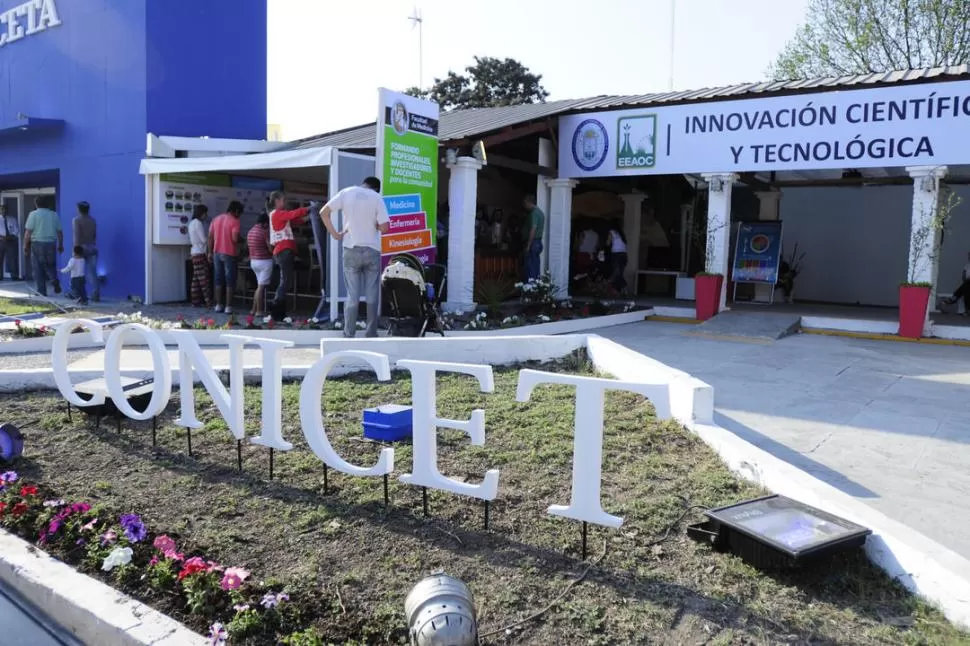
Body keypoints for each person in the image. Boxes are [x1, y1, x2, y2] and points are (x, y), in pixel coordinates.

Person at [319, 176, 390, 338]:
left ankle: (349, 332)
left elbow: (323, 212)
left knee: (353, 294)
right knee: (372, 293)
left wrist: (336, 234)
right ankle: (371, 332)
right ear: (376, 188)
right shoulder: (377, 198)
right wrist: (376, 225)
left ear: (363, 184)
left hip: (351, 248)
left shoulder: (346, 192)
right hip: (372, 249)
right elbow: (384, 228)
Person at [268, 191, 311, 316]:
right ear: (277, 201)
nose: (285, 202)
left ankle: (279, 310)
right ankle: (276, 309)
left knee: (286, 280)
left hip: (284, 251)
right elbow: (292, 215)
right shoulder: (277, 214)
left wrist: (310, 215)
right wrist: (308, 208)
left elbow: (296, 220)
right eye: (283, 200)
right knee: (285, 281)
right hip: (283, 250)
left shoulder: (279, 215)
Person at [208, 200, 244, 314]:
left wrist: (209, 252)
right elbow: (235, 238)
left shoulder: (216, 219)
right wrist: (242, 240)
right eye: (240, 213)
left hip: (216, 252)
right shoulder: (235, 221)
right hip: (229, 253)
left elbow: (210, 237)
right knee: (230, 280)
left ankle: (218, 305)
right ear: (237, 211)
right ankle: (228, 306)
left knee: (218, 279)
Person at [23, 195, 63, 296]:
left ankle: (41, 291)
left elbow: (28, 232)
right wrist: (60, 245)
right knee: (50, 265)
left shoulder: (33, 214)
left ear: (36, 204)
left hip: (37, 244)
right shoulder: (54, 215)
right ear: (47, 204)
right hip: (51, 243)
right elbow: (59, 232)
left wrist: (25, 246)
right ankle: (54, 279)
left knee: (38, 268)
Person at [72, 201, 99, 302]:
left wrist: (75, 251)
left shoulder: (76, 220)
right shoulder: (92, 220)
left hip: (80, 248)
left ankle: (78, 295)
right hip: (92, 248)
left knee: (77, 273)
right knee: (92, 273)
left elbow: (77, 236)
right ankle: (96, 294)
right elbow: (94, 236)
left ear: (79, 209)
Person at [247, 211, 273, 317]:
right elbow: (270, 249)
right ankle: (259, 311)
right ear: (265, 223)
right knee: (261, 288)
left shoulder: (251, 231)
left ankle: (253, 310)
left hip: (254, 262)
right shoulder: (264, 232)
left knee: (259, 286)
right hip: (264, 262)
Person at [188, 204, 212, 308]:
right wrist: (211, 239)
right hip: (200, 252)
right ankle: (208, 302)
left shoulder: (191, 223)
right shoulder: (198, 223)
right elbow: (203, 240)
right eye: (205, 213)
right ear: (202, 213)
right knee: (203, 279)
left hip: (194, 252)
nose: (206, 215)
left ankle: (195, 301)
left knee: (196, 279)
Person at [522, 195, 544, 281]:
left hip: (534, 242)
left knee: (530, 268)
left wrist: (528, 245)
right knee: (535, 266)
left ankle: (531, 290)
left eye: (525, 203)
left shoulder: (534, 213)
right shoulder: (540, 212)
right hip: (538, 242)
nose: (524, 205)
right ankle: (536, 287)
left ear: (529, 202)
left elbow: (533, 229)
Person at [943, 251, 970, 315]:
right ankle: (967, 310)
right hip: (967, 283)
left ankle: (952, 299)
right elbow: (964, 276)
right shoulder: (967, 265)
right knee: (966, 288)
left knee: (965, 288)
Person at [607, 225, 629, 294]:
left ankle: (623, 286)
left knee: (616, 273)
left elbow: (608, 243)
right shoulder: (622, 234)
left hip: (616, 254)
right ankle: (618, 290)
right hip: (624, 254)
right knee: (620, 273)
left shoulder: (611, 232)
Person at [0, 205, 19, 281]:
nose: (3, 211)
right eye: (2, 209)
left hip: (11, 241)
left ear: (7, 210)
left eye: (5, 209)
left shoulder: (12, 219)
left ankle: (14, 276)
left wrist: (11, 236)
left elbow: (16, 230)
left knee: (12, 259)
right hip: (1, 241)